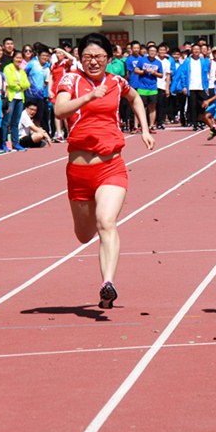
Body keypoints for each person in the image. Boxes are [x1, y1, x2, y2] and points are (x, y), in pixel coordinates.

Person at [53, 33, 154, 309]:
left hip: (111, 166)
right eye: (88, 57)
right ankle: (104, 275)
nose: (93, 61)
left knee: (106, 221)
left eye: (99, 57)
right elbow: (60, 110)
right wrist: (88, 96)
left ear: (109, 59)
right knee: (84, 235)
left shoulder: (116, 82)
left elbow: (135, 99)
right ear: (80, 57)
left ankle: (107, 283)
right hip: (79, 171)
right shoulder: (71, 80)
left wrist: (143, 128)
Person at [2, 51, 31, 151]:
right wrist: (20, 85)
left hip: (20, 98)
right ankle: (4, 143)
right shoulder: (8, 68)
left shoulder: (22, 71)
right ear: (13, 58)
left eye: (20, 58)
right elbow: (10, 83)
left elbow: (27, 84)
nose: (18, 60)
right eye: (17, 58)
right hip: (11, 98)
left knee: (15, 122)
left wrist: (20, 85)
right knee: (6, 121)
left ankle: (15, 143)